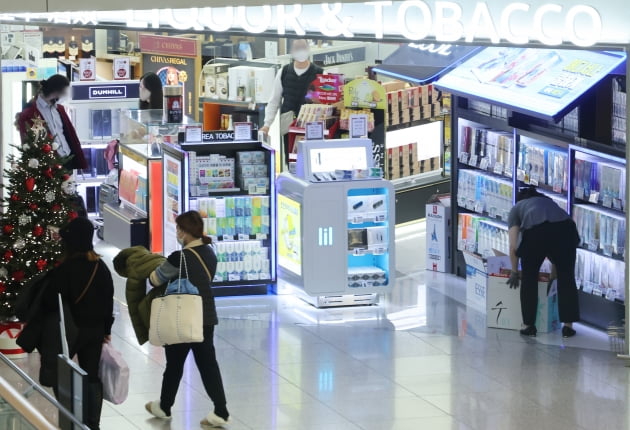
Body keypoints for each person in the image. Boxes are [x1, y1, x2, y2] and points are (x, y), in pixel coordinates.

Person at [146, 211, 230, 428]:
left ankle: (164, 406)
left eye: (178, 229)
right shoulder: (209, 252)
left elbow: (155, 279)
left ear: (183, 232)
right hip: (206, 315)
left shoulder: (179, 257)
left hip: (181, 316)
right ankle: (220, 410)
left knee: (174, 363)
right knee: (208, 364)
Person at [41, 217, 115, 430]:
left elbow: (49, 301)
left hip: (70, 331)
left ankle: (71, 420)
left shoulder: (64, 270)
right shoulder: (100, 267)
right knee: (91, 375)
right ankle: (93, 423)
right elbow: (108, 300)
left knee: (60, 374)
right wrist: (107, 330)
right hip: (95, 331)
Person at [506, 186, 580, 338]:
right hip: (567, 229)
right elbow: (555, 242)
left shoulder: (516, 209)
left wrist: (514, 271)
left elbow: (513, 246)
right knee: (567, 277)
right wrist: (553, 276)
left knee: (529, 276)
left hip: (536, 232)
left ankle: (529, 326)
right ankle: (568, 327)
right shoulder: (549, 202)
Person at [260, 39, 323, 163]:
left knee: (312, 161)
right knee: (291, 161)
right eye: (297, 48)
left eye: (303, 47)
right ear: (291, 51)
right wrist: (267, 125)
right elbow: (274, 101)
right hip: (289, 125)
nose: (300, 51)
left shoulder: (320, 73)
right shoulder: (283, 72)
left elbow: (326, 103)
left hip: (312, 126)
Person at [17, 74, 87, 170]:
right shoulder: (29, 113)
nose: (66, 95)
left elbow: (69, 133)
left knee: (69, 185)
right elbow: (27, 141)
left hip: (68, 158)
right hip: (49, 164)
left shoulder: (59, 109)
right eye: (65, 91)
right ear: (57, 91)